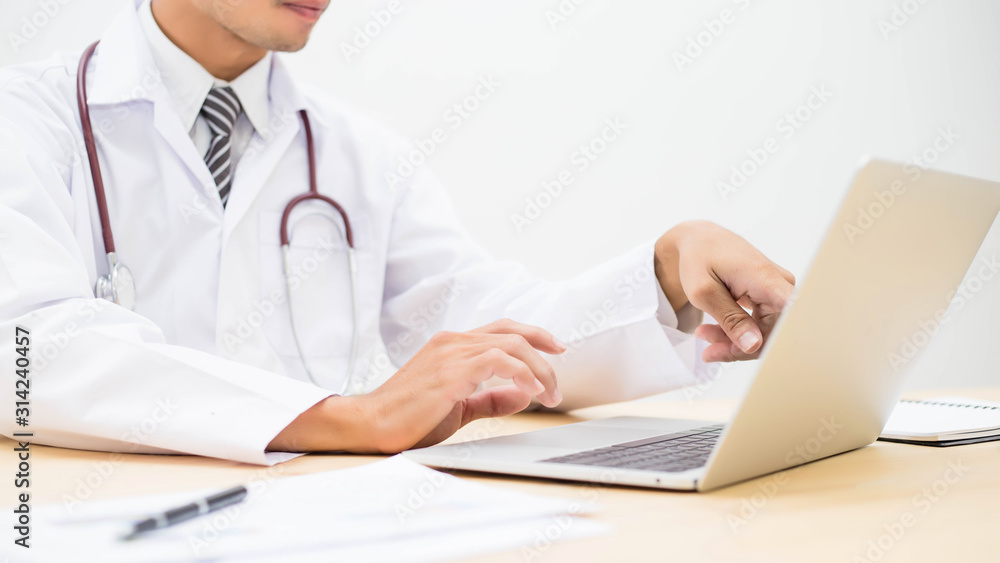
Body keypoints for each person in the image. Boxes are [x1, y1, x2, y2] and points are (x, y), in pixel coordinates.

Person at [0, 0, 794, 465]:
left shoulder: (357, 155)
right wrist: (350, 417)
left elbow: (494, 333)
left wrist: (664, 269)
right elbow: (26, 350)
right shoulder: (28, 118)